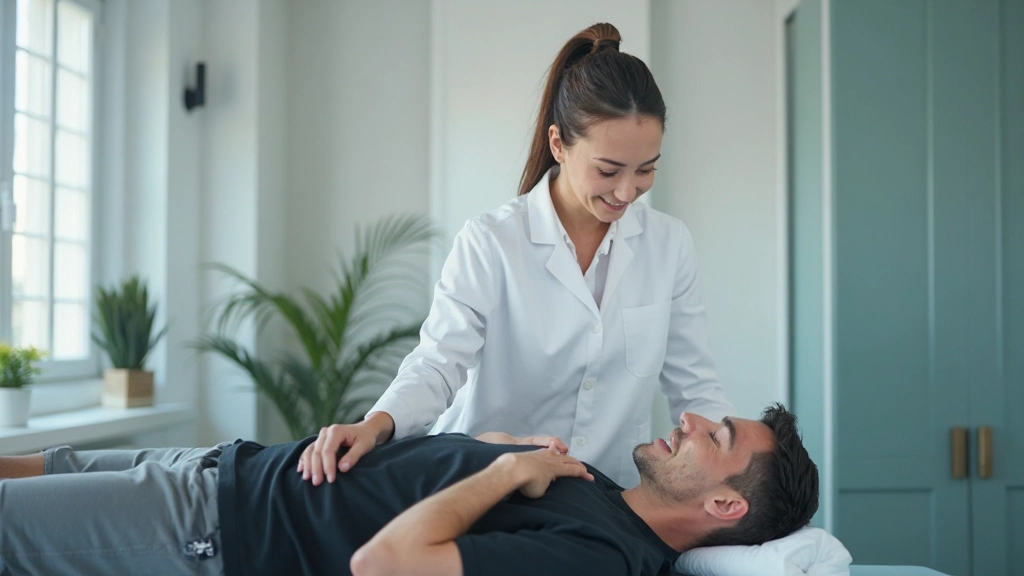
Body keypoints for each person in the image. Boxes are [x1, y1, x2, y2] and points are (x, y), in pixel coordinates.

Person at [300, 21, 734, 490]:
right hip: (487, 488)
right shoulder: (491, 241)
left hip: (604, 495)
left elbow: (695, 388)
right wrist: (375, 424)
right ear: (558, 145)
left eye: (646, 169)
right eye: (608, 171)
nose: (628, 192)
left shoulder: (669, 245)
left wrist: (738, 482)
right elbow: (437, 362)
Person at [0, 404, 817, 576]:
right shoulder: (596, 487)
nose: (691, 416)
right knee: (34, 467)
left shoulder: (603, 559)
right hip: (237, 468)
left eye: (715, 438)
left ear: (724, 508)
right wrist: (479, 448)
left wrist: (501, 472)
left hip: (219, 530)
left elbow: (387, 564)